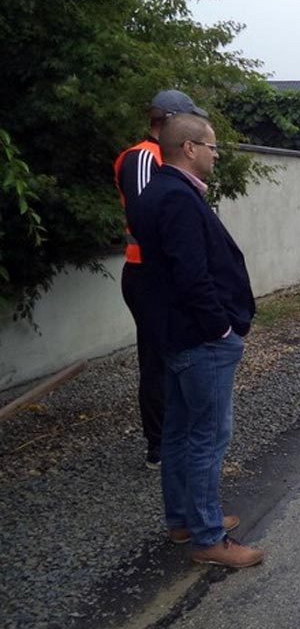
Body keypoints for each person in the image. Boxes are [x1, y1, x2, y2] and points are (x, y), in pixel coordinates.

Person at [127, 112, 263, 569]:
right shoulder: (178, 199)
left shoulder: (155, 193)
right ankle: (208, 537)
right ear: (189, 148)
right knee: (208, 437)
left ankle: (184, 519)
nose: (215, 153)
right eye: (212, 146)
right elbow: (191, 275)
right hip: (200, 339)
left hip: (179, 336)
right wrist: (220, 329)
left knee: (181, 433)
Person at [114, 90, 209, 469]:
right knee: (156, 359)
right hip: (148, 271)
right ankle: (159, 445)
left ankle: (177, 437)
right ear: (168, 120)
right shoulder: (141, 157)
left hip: (168, 273)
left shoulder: (171, 160)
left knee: (178, 354)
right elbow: (144, 215)